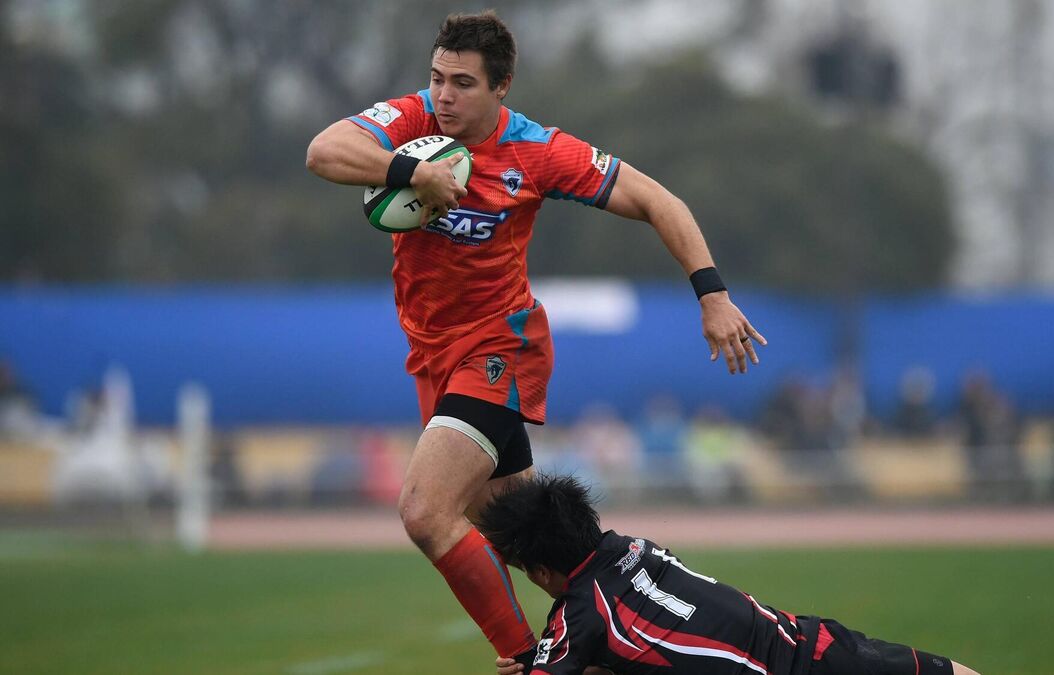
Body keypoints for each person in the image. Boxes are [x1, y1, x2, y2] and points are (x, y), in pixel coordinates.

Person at [305, 11, 766, 663]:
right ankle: (662, 613)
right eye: (437, 79)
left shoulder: (538, 151)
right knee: (529, 541)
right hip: (432, 357)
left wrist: (712, 294)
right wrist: (413, 172)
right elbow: (323, 152)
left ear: (502, 87)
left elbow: (658, 200)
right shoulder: (413, 122)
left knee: (424, 511)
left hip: (499, 350)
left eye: (463, 83)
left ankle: (529, 660)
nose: (443, 96)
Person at [483, 474, 981, 675]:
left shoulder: (578, 616)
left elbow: (587, 637)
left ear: (542, 571)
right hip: (810, 644)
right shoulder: (633, 547)